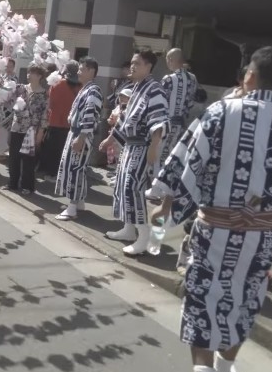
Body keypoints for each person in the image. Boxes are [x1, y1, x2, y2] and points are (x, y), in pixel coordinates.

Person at [151, 47, 272, 372]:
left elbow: (187, 163)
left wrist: (168, 205)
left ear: (250, 75)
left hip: (215, 228)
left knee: (204, 297)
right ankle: (225, 368)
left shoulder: (221, 112)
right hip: (263, 236)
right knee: (245, 300)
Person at [98, 50, 169, 255]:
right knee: (121, 186)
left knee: (132, 187)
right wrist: (110, 139)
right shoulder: (135, 88)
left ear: (148, 67)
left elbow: (159, 120)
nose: (132, 66)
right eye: (132, 63)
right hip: (129, 146)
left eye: (137, 63)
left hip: (143, 146)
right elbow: (124, 119)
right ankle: (129, 229)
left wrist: (154, 148)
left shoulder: (155, 89)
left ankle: (144, 235)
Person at [54, 57, 103, 219]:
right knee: (75, 168)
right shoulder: (86, 89)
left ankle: (72, 206)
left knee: (75, 168)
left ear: (91, 71)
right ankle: (79, 202)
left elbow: (90, 116)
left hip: (82, 134)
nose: (79, 73)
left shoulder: (93, 91)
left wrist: (81, 137)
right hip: (75, 132)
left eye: (82, 69)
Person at [147, 48, 198, 199]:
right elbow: (190, 102)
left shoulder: (168, 79)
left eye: (168, 59)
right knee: (172, 155)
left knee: (160, 155)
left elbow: (159, 102)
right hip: (181, 123)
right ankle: (166, 189)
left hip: (166, 122)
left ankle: (157, 189)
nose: (167, 62)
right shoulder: (193, 78)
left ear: (171, 60)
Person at [6, 64, 48, 195]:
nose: (29, 75)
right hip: (17, 126)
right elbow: (8, 99)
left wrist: (40, 132)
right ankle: (12, 183)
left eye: (33, 73)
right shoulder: (21, 88)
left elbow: (45, 115)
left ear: (40, 76)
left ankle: (27, 186)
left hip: (31, 131)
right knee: (14, 157)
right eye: (29, 72)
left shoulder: (44, 94)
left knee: (28, 159)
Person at [40, 61, 82, 180]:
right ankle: (64, 174)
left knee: (53, 150)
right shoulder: (81, 87)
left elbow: (50, 105)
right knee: (66, 151)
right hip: (72, 124)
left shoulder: (57, 84)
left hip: (55, 122)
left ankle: (51, 173)